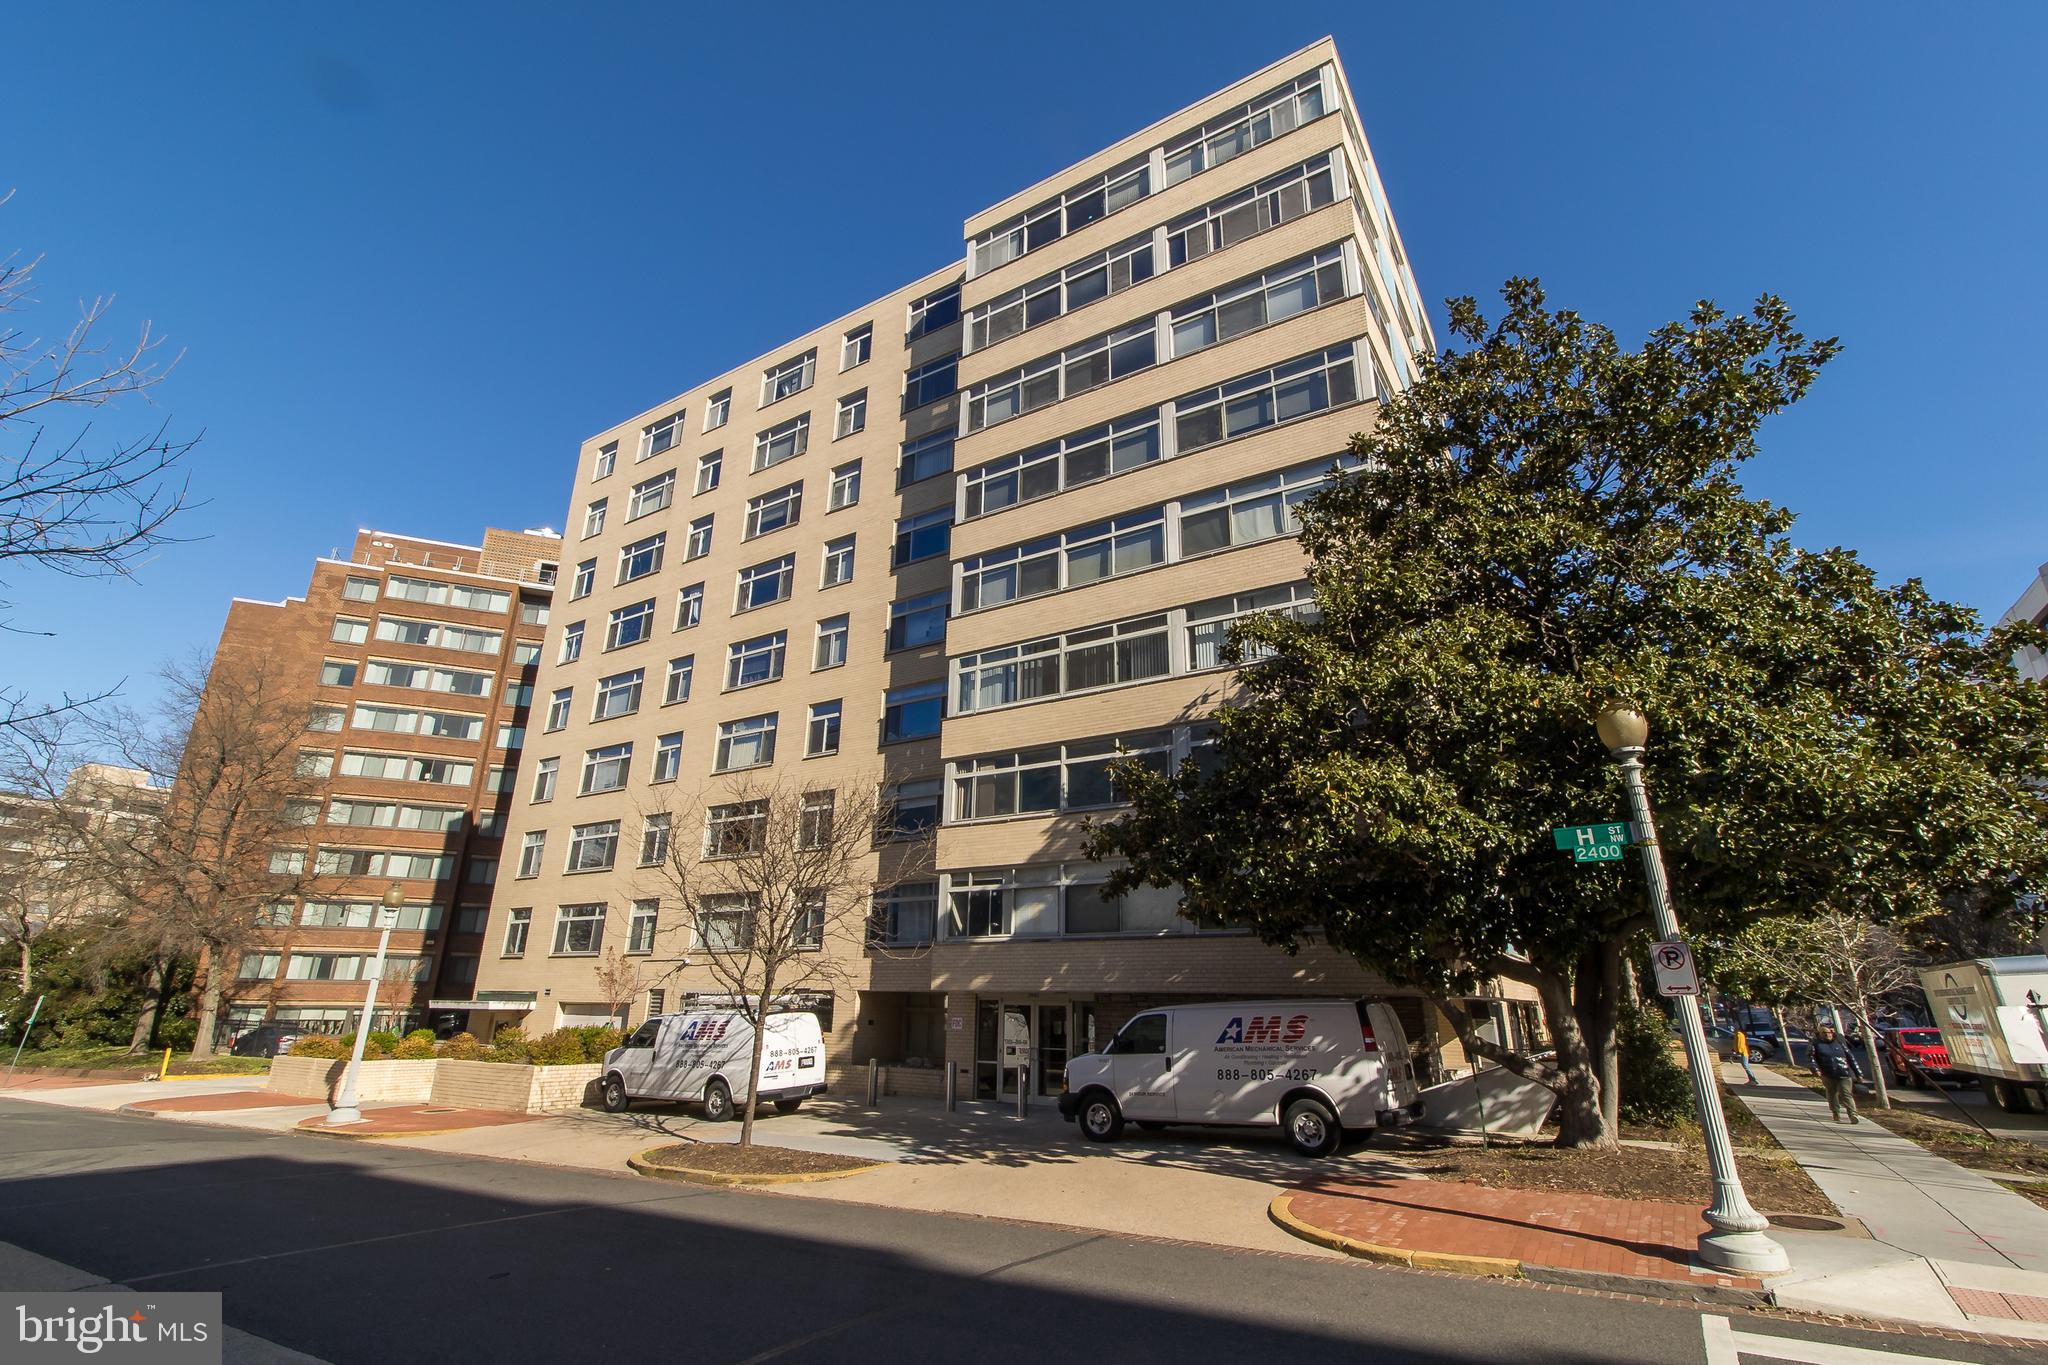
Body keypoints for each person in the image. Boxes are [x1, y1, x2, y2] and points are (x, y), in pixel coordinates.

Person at [1808, 1023, 1865, 1123]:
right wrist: (1815, 1069)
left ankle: (1853, 1114)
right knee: (1832, 1093)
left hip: (1844, 1073)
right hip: (1828, 1073)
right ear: (1819, 1034)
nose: (1827, 1035)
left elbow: (1851, 1059)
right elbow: (1811, 1058)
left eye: (1829, 1032)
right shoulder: (1816, 1045)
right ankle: (1836, 1112)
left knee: (1846, 1093)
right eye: (1824, 1033)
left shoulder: (1839, 1044)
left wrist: (1858, 1073)